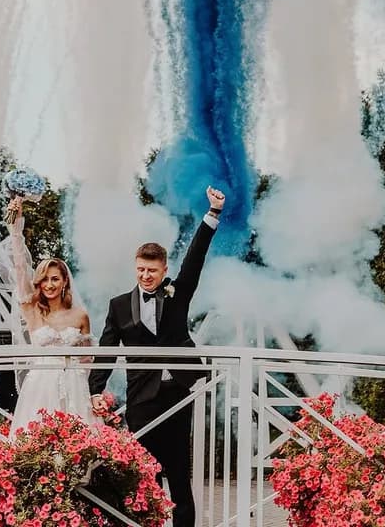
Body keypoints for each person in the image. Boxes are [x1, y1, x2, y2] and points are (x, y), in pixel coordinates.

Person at [88, 185, 226, 527]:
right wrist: (95, 389)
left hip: (178, 393)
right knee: (143, 474)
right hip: (141, 398)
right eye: (140, 270)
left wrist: (213, 214)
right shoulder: (119, 306)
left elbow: (195, 258)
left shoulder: (178, 293)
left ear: (164, 270)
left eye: (151, 270)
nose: (145, 276)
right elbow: (107, 350)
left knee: (178, 473)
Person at [4, 196, 98, 434]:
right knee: (38, 442)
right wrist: (16, 229)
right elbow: (20, 268)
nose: (49, 284)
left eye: (55, 279)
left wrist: (81, 385)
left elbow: (88, 360)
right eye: (44, 279)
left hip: (74, 386)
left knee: (77, 442)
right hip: (40, 386)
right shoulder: (32, 310)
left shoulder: (80, 316)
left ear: (65, 281)